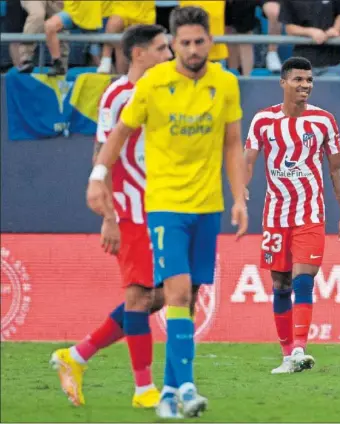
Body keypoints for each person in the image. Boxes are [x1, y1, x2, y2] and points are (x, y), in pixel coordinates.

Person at [86, 6, 248, 419]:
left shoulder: (226, 83)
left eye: (200, 41)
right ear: (174, 44)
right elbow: (120, 132)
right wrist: (97, 176)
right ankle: (188, 387)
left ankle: (168, 393)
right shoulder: (154, 83)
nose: (193, 50)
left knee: (190, 298)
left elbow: (232, 144)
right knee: (173, 293)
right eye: (185, 43)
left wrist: (240, 197)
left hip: (208, 206)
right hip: (163, 207)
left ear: (211, 41)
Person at [50, 24, 172, 409]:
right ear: (139, 53)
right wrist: (109, 216)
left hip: (160, 209)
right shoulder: (118, 95)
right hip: (130, 210)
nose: (168, 55)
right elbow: (102, 154)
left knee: (162, 295)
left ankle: (78, 355)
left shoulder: (163, 91)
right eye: (161, 48)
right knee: (138, 297)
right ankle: (143, 390)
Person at [244, 57, 340, 374]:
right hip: (276, 215)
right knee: (280, 284)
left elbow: (336, 167)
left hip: (310, 213)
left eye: (309, 80)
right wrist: (241, 189)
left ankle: (299, 349)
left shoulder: (323, 122)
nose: (305, 85)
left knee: (303, 279)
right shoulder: (263, 120)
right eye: (298, 80)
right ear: (283, 82)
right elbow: (248, 159)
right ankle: (286, 353)